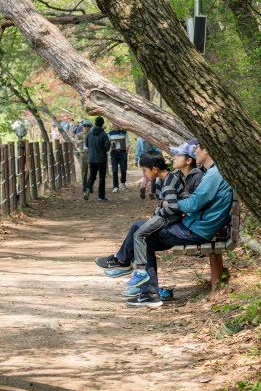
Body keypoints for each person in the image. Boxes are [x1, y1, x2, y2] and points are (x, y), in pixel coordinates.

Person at [94, 140, 234, 307]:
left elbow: (194, 204)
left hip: (196, 229)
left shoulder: (214, 174)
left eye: (197, 149)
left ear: (207, 151)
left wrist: (169, 205)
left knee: (140, 230)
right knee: (143, 235)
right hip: (197, 225)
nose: (195, 152)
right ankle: (146, 289)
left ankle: (127, 267)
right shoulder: (213, 173)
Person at [121, 151, 185, 292]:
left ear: (154, 169)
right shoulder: (162, 180)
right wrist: (161, 205)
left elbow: (173, 207)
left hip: (172, 219)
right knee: (138, 230)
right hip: (169, 217)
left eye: (145, 170)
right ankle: (125, 263)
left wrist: (157, 212)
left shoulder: (168, 181)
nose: (144, 175)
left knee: (139, 234)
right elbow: (164, 201)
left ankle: (139, 271)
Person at [83, 116, 111, 201]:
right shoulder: (104, 134)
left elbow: (87, 145)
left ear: (95, 123)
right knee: (102, 178)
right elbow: (107, 147)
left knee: (92, 176)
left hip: (91, 158)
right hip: (101, 159)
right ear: (102, 124)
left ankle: (87, 188)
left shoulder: (89, 134)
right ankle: (101, 196)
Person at [108, 124, 129, 193]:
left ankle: (123, 182)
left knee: (123, 169)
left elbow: (127, 144)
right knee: (114, 170)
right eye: (114, 124)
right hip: (114, 153)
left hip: (122, 152)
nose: (116, 125)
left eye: (117, 124)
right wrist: (110, 143)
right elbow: (107, 144)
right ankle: (115, 186)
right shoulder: (110, 133)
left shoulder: (124, 132)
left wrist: (126, 153)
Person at [74, 119, 91, 189]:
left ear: (90, 127)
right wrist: (79, 141)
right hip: (83, 154)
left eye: (88, 126)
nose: (86, 127)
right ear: (82, 127)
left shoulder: (92, 134)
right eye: (85, 126)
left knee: (92, 171)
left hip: (91, 154)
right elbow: (76, 144)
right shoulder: (79, 134)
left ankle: (90, 186)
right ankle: (84, 186)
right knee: (84, 171)